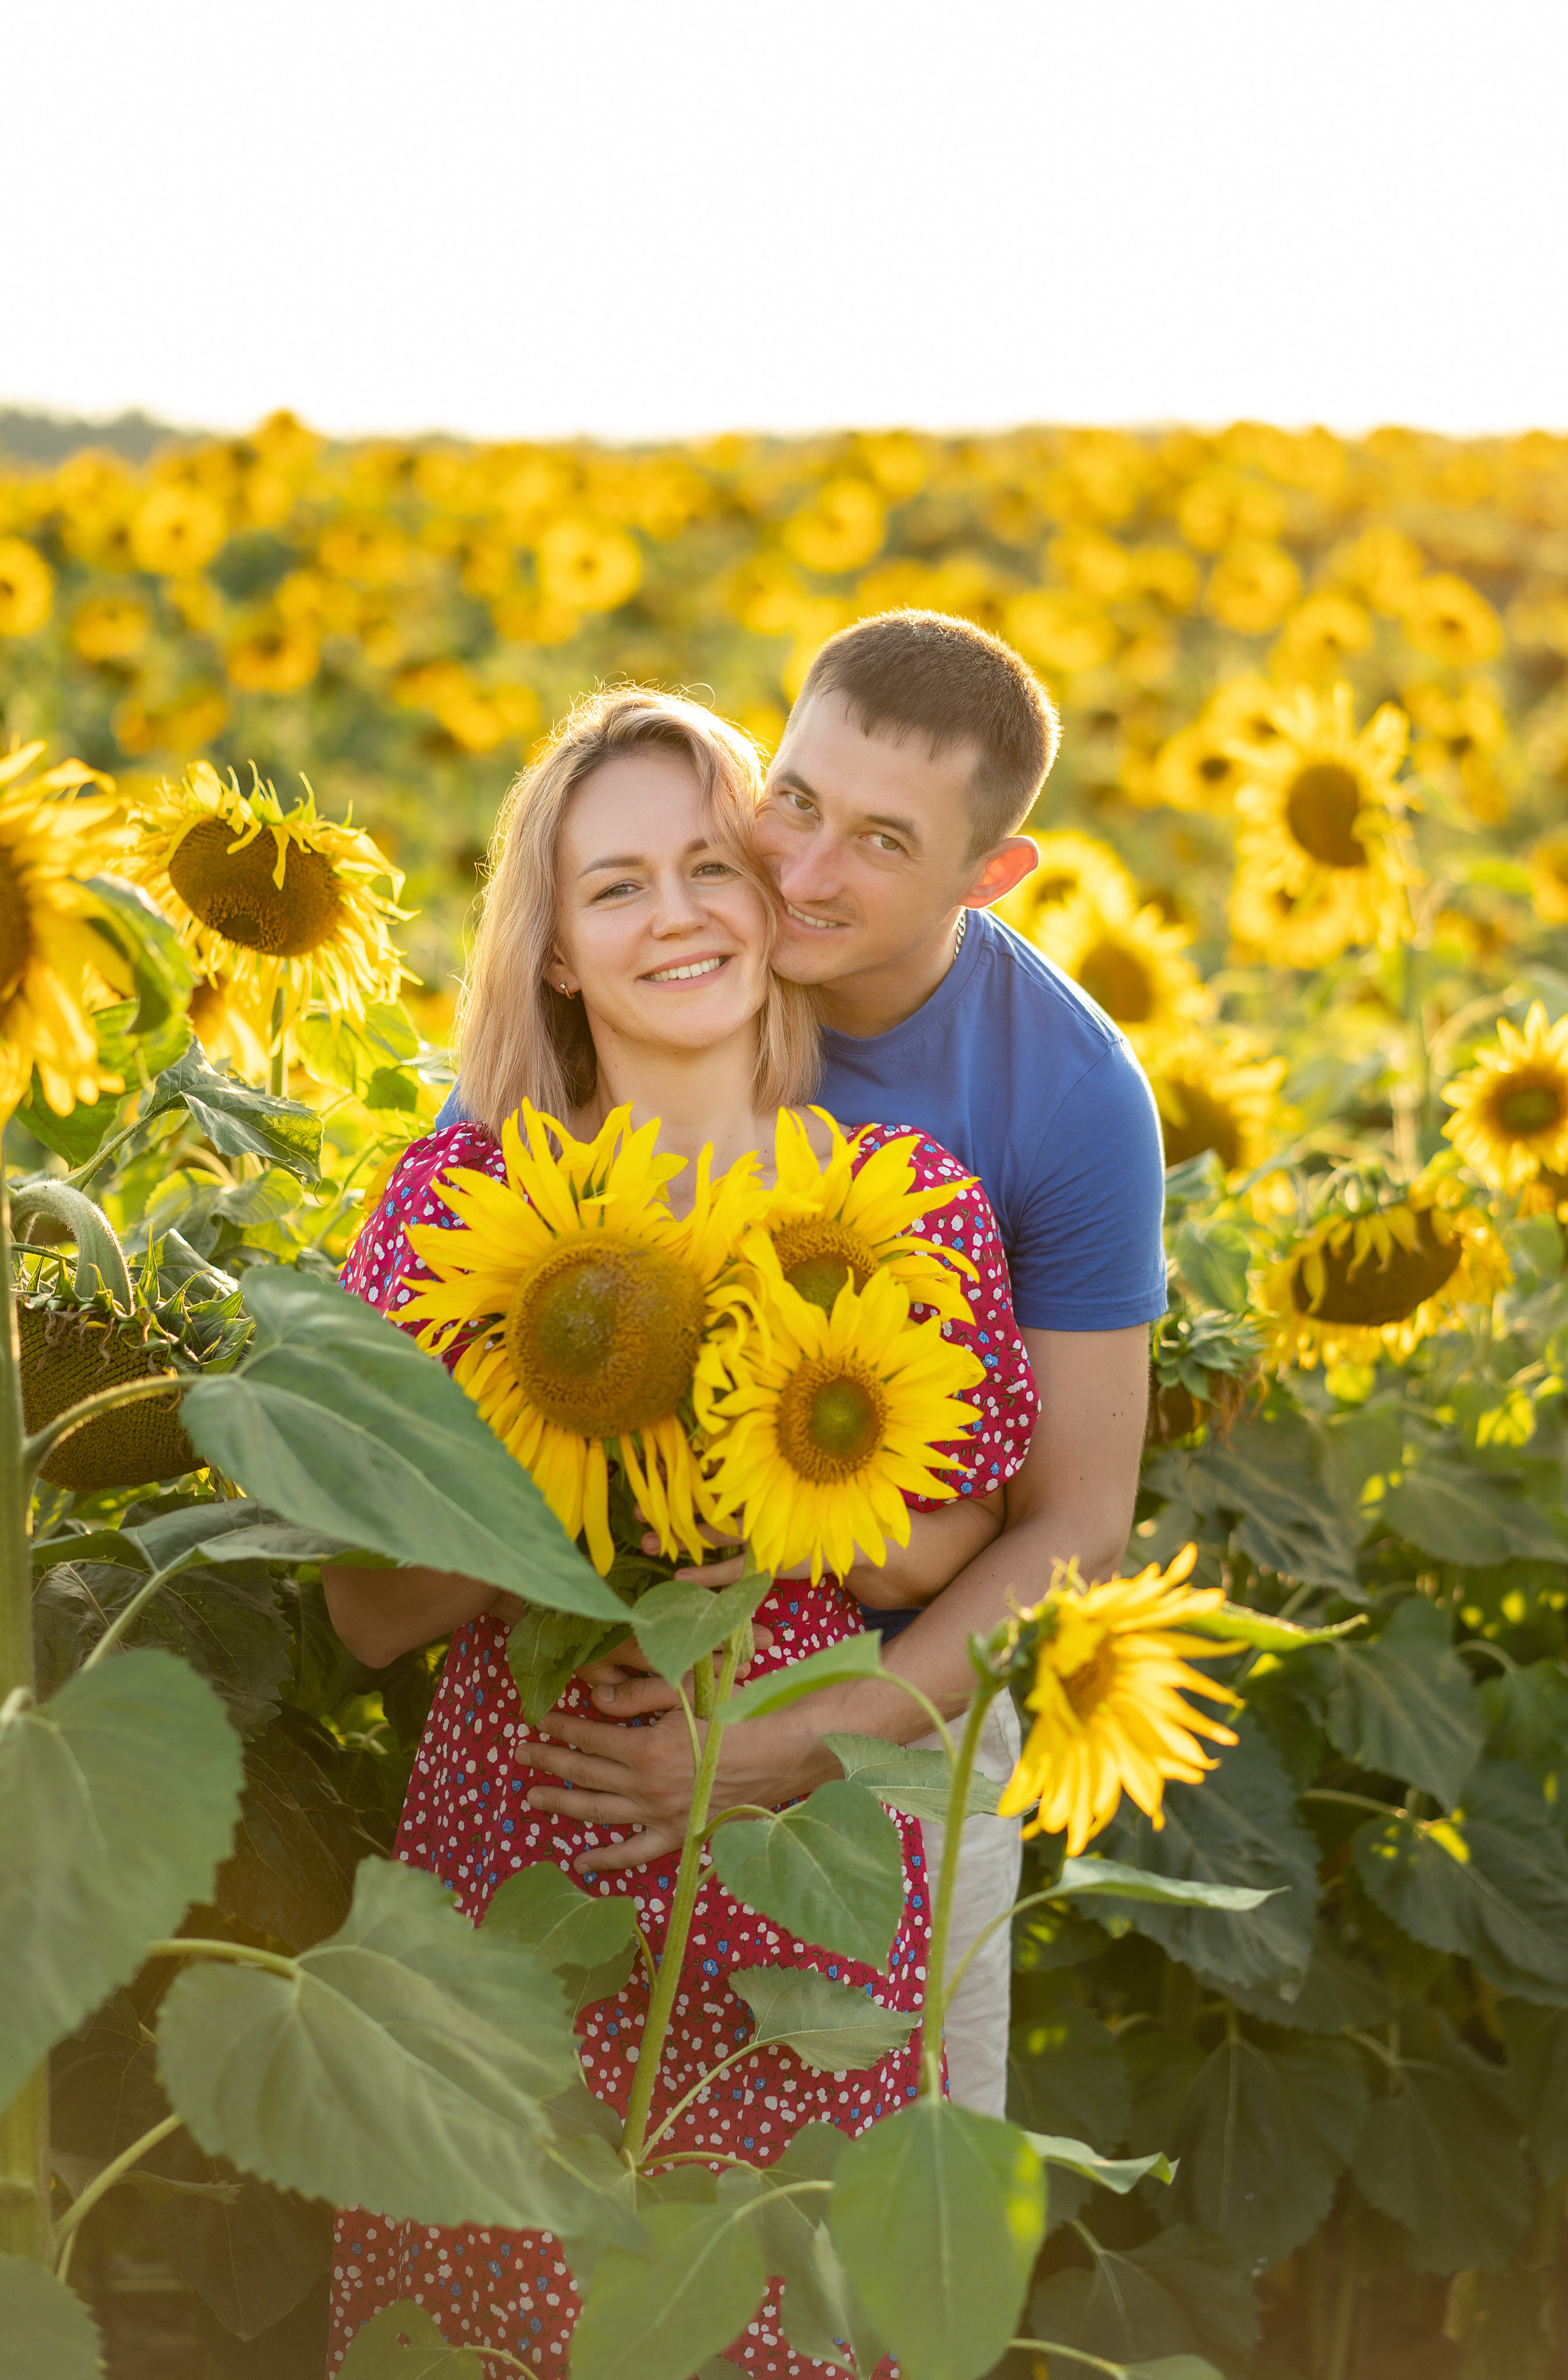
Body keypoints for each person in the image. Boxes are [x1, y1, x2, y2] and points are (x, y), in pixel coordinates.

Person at [321, 685, 1037, 2378]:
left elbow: (957, 1554)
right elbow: (362, 1607)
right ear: (557, 950)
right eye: (616, 886)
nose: (678, 916)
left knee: (777, 2308)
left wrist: (769, 1450)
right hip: (522, 1873)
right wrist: (572, 1449)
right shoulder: (459, 1205)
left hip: (809, 1909)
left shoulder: (895, 1199)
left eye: (710, 866)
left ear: (767, 906)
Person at [491, 612, 1167, 2120]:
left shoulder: (1061, 1096)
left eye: (878, 840)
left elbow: (1070, 1525)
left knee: (885, 2185)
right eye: (792, 799)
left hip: (899, 1715)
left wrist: (775, 1754)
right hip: (610, 1680)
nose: (800, 872)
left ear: (986, 877)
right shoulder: (694, 946)